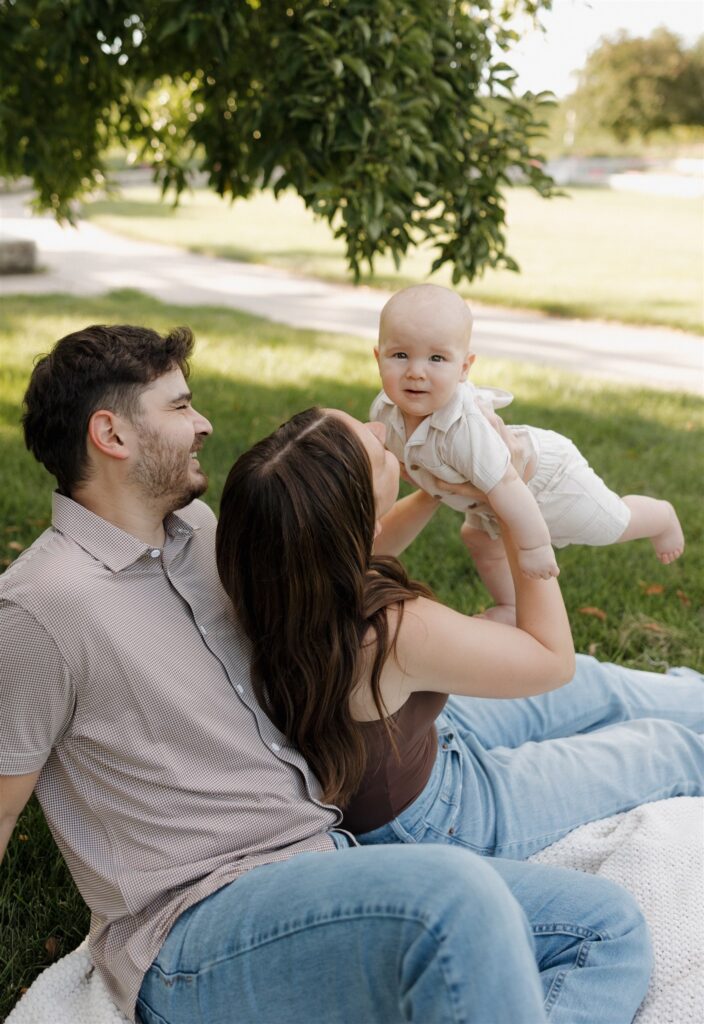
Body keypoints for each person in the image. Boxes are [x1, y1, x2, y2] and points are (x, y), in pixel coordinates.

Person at [0, 323, 654, 1024]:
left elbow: (331, 555)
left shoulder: (195, 531)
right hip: (197, 925)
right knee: (456, 891)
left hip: (322, 860)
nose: (205, 423)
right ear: (112, 435)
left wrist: (434, 485)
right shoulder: (40, 606)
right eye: (180, 406)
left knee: (606, 927)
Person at [216, 405, 703, 860]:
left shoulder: (271, 577)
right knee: (668, 749)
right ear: (350, 518)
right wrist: (512, 498)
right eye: (373, 447)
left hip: (417, 737)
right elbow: (552, 660)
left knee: (600, 688)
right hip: (438, 818)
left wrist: (435, 487)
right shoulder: (392, 633)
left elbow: (371, 542)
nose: (382, 430)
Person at [370, 283, 685, 622]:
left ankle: (660, 517)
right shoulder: (385, 411)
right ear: (378, 357)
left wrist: (534, 547)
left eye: (437, 358)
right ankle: (511, 606)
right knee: (477, 537)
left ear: (464, 368)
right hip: (484, 496)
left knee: (609, 524)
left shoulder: (463, 428)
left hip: (544, 480)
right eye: (400, 355)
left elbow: (508, 485)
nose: (416, 371)